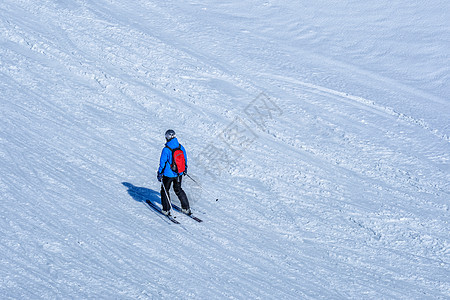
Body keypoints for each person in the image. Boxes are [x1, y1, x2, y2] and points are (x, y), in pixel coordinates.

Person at [157, 129, 191, 216]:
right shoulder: (180, 147)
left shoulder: (166, 149)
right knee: (178, 189)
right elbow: (184, 159)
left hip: (168, 174)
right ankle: (186, 208)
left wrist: (160, 173)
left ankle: (166, 209)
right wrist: (185, 168)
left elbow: (162, 162)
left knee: (165, 190)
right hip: (179, 173)